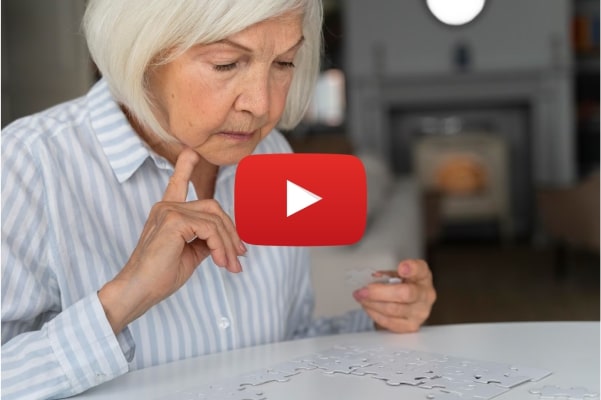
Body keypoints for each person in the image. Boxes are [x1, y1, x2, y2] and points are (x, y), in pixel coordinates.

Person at [0, 0, 437, 399]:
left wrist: (379, 320)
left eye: (284, 63)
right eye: (226, 64)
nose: (261, 105)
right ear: (143, 53)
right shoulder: (30, 165)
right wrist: (122, 299)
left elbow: (287, 342)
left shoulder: (272, 155)